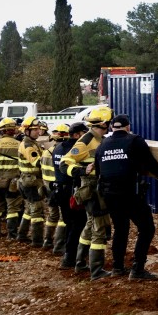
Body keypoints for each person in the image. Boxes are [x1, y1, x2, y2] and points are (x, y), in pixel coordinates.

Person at [96, 114, 158, 280]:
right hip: (129, 194)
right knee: (147, 228)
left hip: (109, 195)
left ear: (112, 128)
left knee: (121, 229)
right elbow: (150, 163)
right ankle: (138, 269)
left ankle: (117, 267)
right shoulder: (135, 140)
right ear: (128, 127)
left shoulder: (102, 144)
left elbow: (98, 172)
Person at [61, 106, 114, 279]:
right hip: (91, 188)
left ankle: (80, 263)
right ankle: (97, 270)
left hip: (95, 187)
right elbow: (64, 163)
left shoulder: (100, 139)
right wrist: (83, 171)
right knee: (98, 227)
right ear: (104, 123)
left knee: (90, 225)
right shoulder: (86, 140)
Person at [54, 122, 90, 270]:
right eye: (83, 133)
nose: (86, 136)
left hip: (59, 191)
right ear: (76, 135)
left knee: (70, 223)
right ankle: (71, 257)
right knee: (78, 224)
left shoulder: (58, 148)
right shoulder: (74, 150)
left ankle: (67, 254)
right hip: (71, 191)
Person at [15, 117, 49, 246]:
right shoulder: (28, 145)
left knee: (29, 210)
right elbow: (37, 162)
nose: (38, 131)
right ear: (26, 130)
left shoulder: (32, 143)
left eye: (38, 129)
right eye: (34, 129)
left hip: (28, 181)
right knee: (37, 211)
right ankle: (37, 240)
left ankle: (22, 235)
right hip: (31, 182)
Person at [41, 123, 72, 254]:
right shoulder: (64, 153)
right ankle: (59, 246)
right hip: (59, 189)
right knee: (62, 219)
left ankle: (47, 241)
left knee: (52, 215)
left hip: (48, 188)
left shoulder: (45, 152)